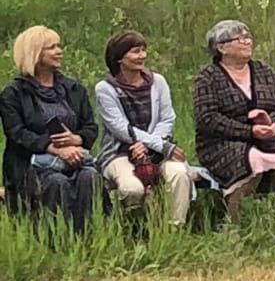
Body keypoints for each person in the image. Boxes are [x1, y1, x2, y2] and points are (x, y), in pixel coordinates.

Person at [191, 20, 275, 218]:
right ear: (221, 47)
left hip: (264, 138)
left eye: (248, 37)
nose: (247, 41)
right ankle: (237, 220)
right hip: (220, 143)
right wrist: (248, 131)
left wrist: (272, 124)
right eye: (240, 38)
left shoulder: (264, 71)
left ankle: (273, 211)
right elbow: (207, 119)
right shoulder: (208, 78)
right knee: (253, 160)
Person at [1, 27, 103, 230]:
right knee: (57, 182)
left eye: (59, 46)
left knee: (89, 177)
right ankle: (55, 239)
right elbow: (17, 134)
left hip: (75, 158)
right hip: (31, 164)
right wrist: (53, 148)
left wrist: (77, 139)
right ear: (34, 53)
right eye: (52, 47)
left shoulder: (74, 89)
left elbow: (91, 127)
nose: (59, 51)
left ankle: (88, 238)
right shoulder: (13, 94)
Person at [94, 31, 194, 227]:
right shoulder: (105, 89)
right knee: (132, 189)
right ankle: (137, 229)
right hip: (120, 152)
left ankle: (175, 228)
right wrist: (160, 146)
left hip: (158, 151)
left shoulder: (158, 82)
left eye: (143, 50)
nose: (142, 56)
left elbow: (167, 118)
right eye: (135, 51)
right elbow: (119, 127)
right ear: (119, 58)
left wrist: (151, 146)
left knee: (179, 174)